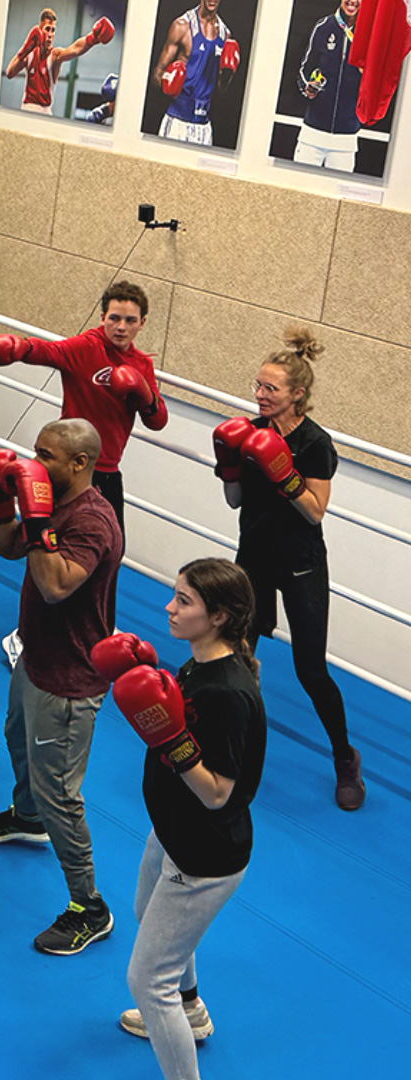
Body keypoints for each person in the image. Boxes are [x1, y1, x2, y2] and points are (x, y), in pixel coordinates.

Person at [96, 558, 266, 1080]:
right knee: (146, 910)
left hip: (205, 851)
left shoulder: (228, 693)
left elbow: (219, 795)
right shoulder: (200, 664)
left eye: (184, 601)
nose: (168, 607)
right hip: (172, 829)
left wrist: (174, 742)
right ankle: (190, 1010)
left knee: (148, 980)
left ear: (218, 616)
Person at [0, 419, 124, 956]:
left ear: (79, 463)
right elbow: (13, 548)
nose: (33, 463)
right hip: (35, 655)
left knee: (61, 791)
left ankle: (90, 906)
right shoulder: (52, 498)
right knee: (16, 739)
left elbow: (56, 585)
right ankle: (25, 816)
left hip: (71, 676)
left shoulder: (94, 521)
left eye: (45, 455)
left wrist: (35, 517)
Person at [212, 327, 362, 808]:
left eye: (270, 388)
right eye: (257, 385)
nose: (259, 395)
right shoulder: (248, 432)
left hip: (299, 563)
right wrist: (230, 466)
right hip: (252, 557)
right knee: (238, 657)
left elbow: (315, 510)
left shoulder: (316, 444)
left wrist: (285, 473)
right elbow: (235, 501)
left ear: (297, 394)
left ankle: (344, 758)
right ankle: (231, 756)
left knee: (310, 670)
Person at [0, 280, 165, 664]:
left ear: (142, 323)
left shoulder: (142, 365)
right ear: (102, 317)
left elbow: (158, 421)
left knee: (109, 555)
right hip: (65, 474)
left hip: (107, 474)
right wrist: (16, 348)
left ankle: (96, 635)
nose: (120, 326)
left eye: (129, 320)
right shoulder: (85, 347)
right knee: (43, 547)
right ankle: (24, 634)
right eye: (114, 317)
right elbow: (47, 351)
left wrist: (144, 394)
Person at [153, 0, 240, 146]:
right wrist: (167, 83)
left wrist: (226, 76)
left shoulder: (225, 35)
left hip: (203, 126)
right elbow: (157, 74)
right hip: (177, 120)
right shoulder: (182, 26)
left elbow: (220, 90)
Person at [293, 0, 365, 172]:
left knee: (339, 196)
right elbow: (304, 68)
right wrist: (307, 86)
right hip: (313, 133)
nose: (352, 1)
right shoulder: (324, 27)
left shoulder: (368, 34)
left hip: (345, 137)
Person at [6, 9, 118, 116]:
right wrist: (25, 49)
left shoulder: (54, 55)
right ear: (40, 30)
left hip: (44, 112)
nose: (50, 34)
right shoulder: (29, 54)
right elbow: (9, 73)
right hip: (26, 108)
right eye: (47, 29)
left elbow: (75, 49)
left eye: (53, 30)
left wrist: (93, 38)